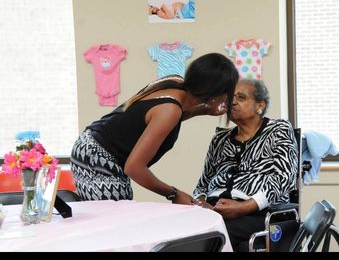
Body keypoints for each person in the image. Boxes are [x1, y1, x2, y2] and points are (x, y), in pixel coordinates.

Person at [70, 53, 239, 205]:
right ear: (217, 94)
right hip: (97, 157)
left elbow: (159, 118)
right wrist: (173, 193)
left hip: (89, 145)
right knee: (114, 222)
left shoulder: (174, 84)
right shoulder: (169, 110)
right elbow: (134, 168)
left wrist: (205, 110)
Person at [193, 79, 298, 251]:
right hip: (215, 211)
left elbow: (284, 178)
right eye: (230, 98)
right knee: (181, 228)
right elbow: (203, 184)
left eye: (241, 97)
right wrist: (201, 203)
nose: (232, 102)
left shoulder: (278, 130)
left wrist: (244, 207)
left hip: (260, 212)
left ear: (260, 105)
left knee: (209, 235)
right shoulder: (220, 139)